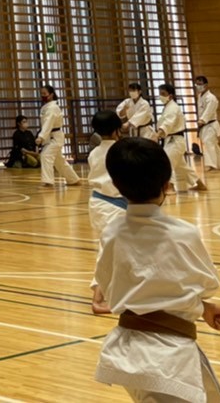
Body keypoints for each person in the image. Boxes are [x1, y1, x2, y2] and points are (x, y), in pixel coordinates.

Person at [91, 138, 220, 402]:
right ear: (167, 185)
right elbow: (208, 283)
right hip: (168, 357)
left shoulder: (111, 233)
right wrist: (200, 302)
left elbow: (108, 286)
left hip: (130, 350)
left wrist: (203, 308)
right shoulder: (183, 234)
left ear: (117, 187)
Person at [86, 110, 125, 314]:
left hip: (98, 203)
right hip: (113, 205)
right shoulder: (121, 151)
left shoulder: (94, 153)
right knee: (108, 250)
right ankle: (98, 298)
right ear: (117, 129)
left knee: (117, 249)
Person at [155, 83, 206, 194]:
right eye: (160, 94)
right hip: (172, 140)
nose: (161, 96)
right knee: (182, 167)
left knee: (167, 162)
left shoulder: (173, 108)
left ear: (170, 96)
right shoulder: (168, 107)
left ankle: (170, 187)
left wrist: (158, 134)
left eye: (163, 93)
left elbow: (168, 123)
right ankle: (200, 184)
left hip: (175, 140)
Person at [36, 86, 83, 189]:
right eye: (41, 94)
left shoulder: (53, 108)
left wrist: (41, 137)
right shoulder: (46, 107)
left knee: (45, 155)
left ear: (51, 94)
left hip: (55, 136)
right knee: (59, 161)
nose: (43, 96)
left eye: (45, 93)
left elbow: (49, 123)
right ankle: (73, 179)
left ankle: (48, 182)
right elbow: (46, 124)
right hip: (50, 136)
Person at [194, 77, 220, 172]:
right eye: (197, 84)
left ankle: (211, 165)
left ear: (206, 85)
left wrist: (202, 120)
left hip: (210, 125)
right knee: (213, 145)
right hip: (205, 126)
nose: (198, 86)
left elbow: (209, 111)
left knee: (209, 143)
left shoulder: (211, 98)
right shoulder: (200, 96)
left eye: (200, 84)